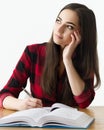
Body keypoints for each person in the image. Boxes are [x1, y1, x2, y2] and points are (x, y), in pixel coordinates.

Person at [0, 3, 101, 111]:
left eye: (69, 26)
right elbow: (4, 94)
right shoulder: (33, 52)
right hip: (39, 124)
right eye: (58, 21)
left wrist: (67, 60)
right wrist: (20, 104)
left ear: (81, 34)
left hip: (70, 126)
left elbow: (84, 102)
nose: (59, 29)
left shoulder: (84, 61)